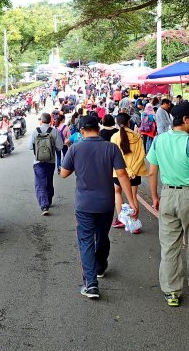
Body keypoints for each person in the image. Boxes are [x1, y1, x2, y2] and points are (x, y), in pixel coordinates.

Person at [60, 115, 139, 299]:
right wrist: (132, 202)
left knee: (86, 241)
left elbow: (64, 173)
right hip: (106, 203)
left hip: (84, 204)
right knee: (102, 235)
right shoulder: (111, 148)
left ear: (81, 131)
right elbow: (122, 176)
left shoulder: (75, 149)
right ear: (98, 127)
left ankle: (91, 285)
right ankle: (101, 265)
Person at [146, 101, 189, 307]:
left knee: (169, 246)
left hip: (167, 195)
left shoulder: (158, 141)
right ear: (185, 120)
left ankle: (172, 292)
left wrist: (155, 197)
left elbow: (152, 171)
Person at [111, 113, 147, 229]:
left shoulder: (115, 137)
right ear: (129, 122)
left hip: (119, 172)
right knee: (133, 196)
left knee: (117, 192)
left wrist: (126, 169)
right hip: (135, 173)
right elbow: (142, 155)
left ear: (117, 123)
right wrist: (132, 170)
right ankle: (135, 223)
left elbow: (114, 157)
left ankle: (121, 220)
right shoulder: (137, 137)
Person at [28, 112, 63, 215]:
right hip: (50, 161)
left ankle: (44, 206)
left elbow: (30, 146)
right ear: (50, 121)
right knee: (49, 181)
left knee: (40, 184)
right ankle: (48, 199)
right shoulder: (54, 131)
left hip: (38, 161)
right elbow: (60, 147)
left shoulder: (35, 131)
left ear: (41, 121)